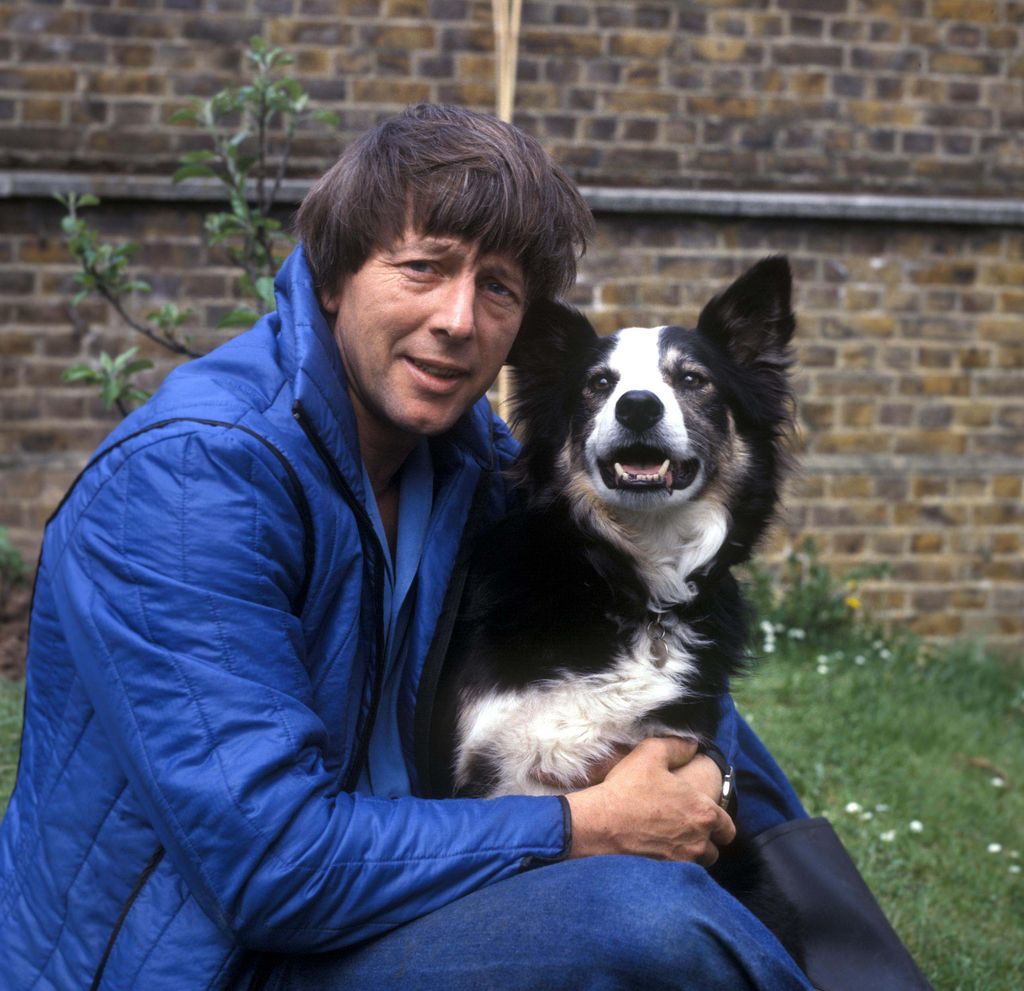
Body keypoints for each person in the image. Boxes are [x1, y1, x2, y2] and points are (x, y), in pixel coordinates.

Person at [1, 104, 818, 990]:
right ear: (331, 276)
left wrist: (699, 781)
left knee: (694, 694)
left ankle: (849, 951)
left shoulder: (462, 459)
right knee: (654, 923)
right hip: (221, 959)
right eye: (423, 268)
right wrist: (586, 823)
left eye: (498, 288)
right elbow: (275, 871)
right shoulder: (191, 486)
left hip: (394, 891)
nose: (458, 319)